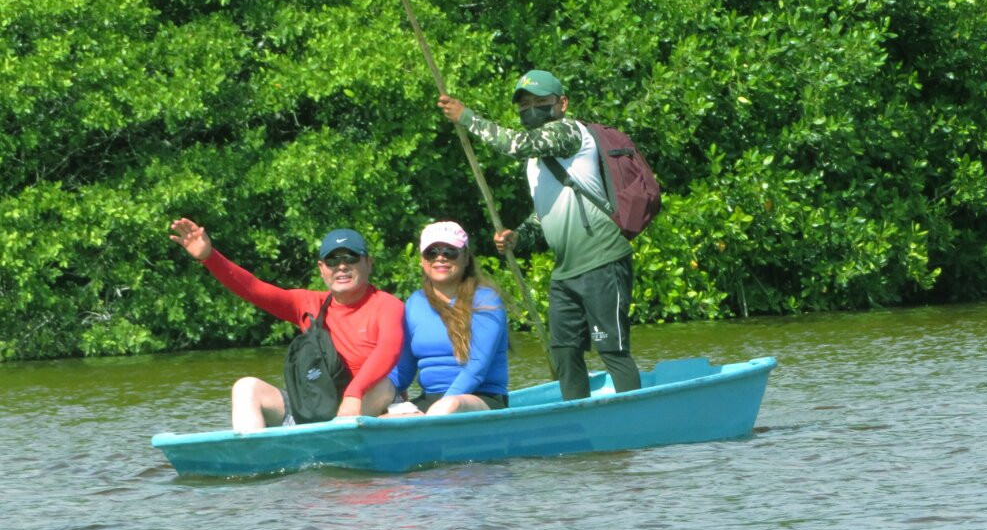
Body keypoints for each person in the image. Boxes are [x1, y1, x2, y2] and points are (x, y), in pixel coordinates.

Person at [437, 70, 641, 401]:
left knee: (611, 349)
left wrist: (467, 117)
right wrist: (518, 237)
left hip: (603, 260)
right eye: (525, 103)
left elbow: (518, 143)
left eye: (540, 102)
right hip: (566, 270)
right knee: (564, 352)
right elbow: (544, 213)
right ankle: (579, 425)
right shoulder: (535, 162)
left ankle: (636, 418)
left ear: (561, 104)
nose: (531, 108)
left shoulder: (569, 133)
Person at [169, 217, 403, 430]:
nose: (341, 266)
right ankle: (253, 460)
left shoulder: (388, 305)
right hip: (316, 408)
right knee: (246, 388)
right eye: (332, 260)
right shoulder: (306, 303)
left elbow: (388, 351)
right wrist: (209, 257)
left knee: (383, 385)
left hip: (367, 404)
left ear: (368, 263)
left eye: (350, 257)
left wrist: (354, 394)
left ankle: (339, 440)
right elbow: (252, 289)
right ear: (322, 269)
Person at [385, 221, 509, 417]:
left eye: (449, 251)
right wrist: (372, 397)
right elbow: (404, 368)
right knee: (382, 414)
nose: (440, 258)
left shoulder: (487, 300)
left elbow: (476, 369)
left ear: (466, 257)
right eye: (431, 252)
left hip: (479, 397)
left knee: (449, 406)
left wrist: (438, 409)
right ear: (422, 260)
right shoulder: (414, 302)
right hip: (432, 400)